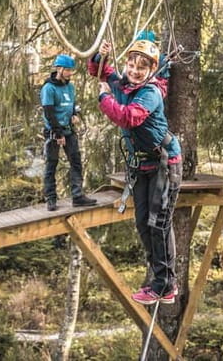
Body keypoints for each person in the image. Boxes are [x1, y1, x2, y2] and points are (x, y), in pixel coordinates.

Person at [88, 39, 182, 305]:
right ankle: (160, 281)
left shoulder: (150, 92)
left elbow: (128, 117)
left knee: (159, 223)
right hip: (142, 165)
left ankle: (165, 285)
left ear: (152, 69)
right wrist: (100, 55)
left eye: (142, 66)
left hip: (165, 164)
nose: (135, 70)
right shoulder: (124, 85)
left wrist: (104, 98)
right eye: (131, 64)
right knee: (143, 223)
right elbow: (99, 70)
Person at [40, 54, 97, 211]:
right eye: (68, 70)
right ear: (59, 69)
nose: (70, 73)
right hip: (54, 132)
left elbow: (72, 105)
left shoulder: (70, 87)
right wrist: (58, 134)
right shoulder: (48, 88)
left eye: (72, 71)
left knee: (76, 161)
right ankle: (51, 198)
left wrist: (74, 115)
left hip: (69, 130)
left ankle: (78, 196)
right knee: (52, 164)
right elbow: (49, 113)